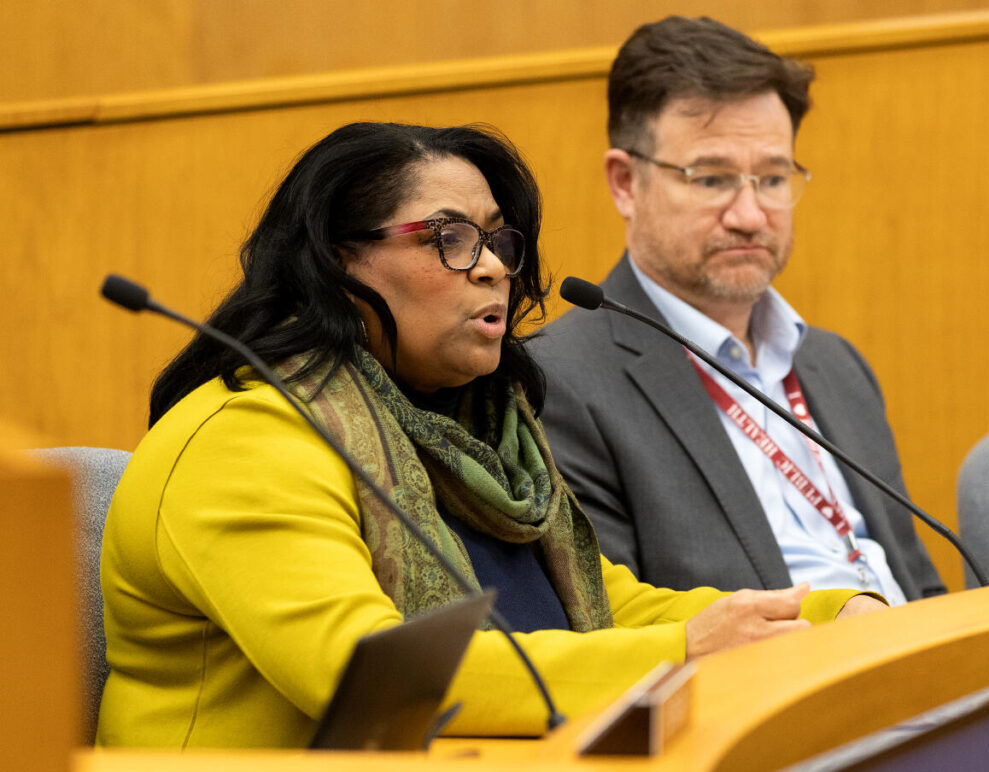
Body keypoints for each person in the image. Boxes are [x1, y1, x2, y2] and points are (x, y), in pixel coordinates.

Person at [97, 121, 880, 748]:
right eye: (451, 238)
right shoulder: (246, 437)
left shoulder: (474, 436)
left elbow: (605, 609)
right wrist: (684, 655)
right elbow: (368, 673)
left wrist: (821, 617)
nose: (493, 269)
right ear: (339, 261)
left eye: (498, 241)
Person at [531, 17, 945, 603]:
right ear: (625, 183)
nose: (750, 215)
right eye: (712, 179)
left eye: (772, 178)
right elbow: (610, 626)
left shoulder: (835, 364)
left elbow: (921, 588)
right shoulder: (561, 382)